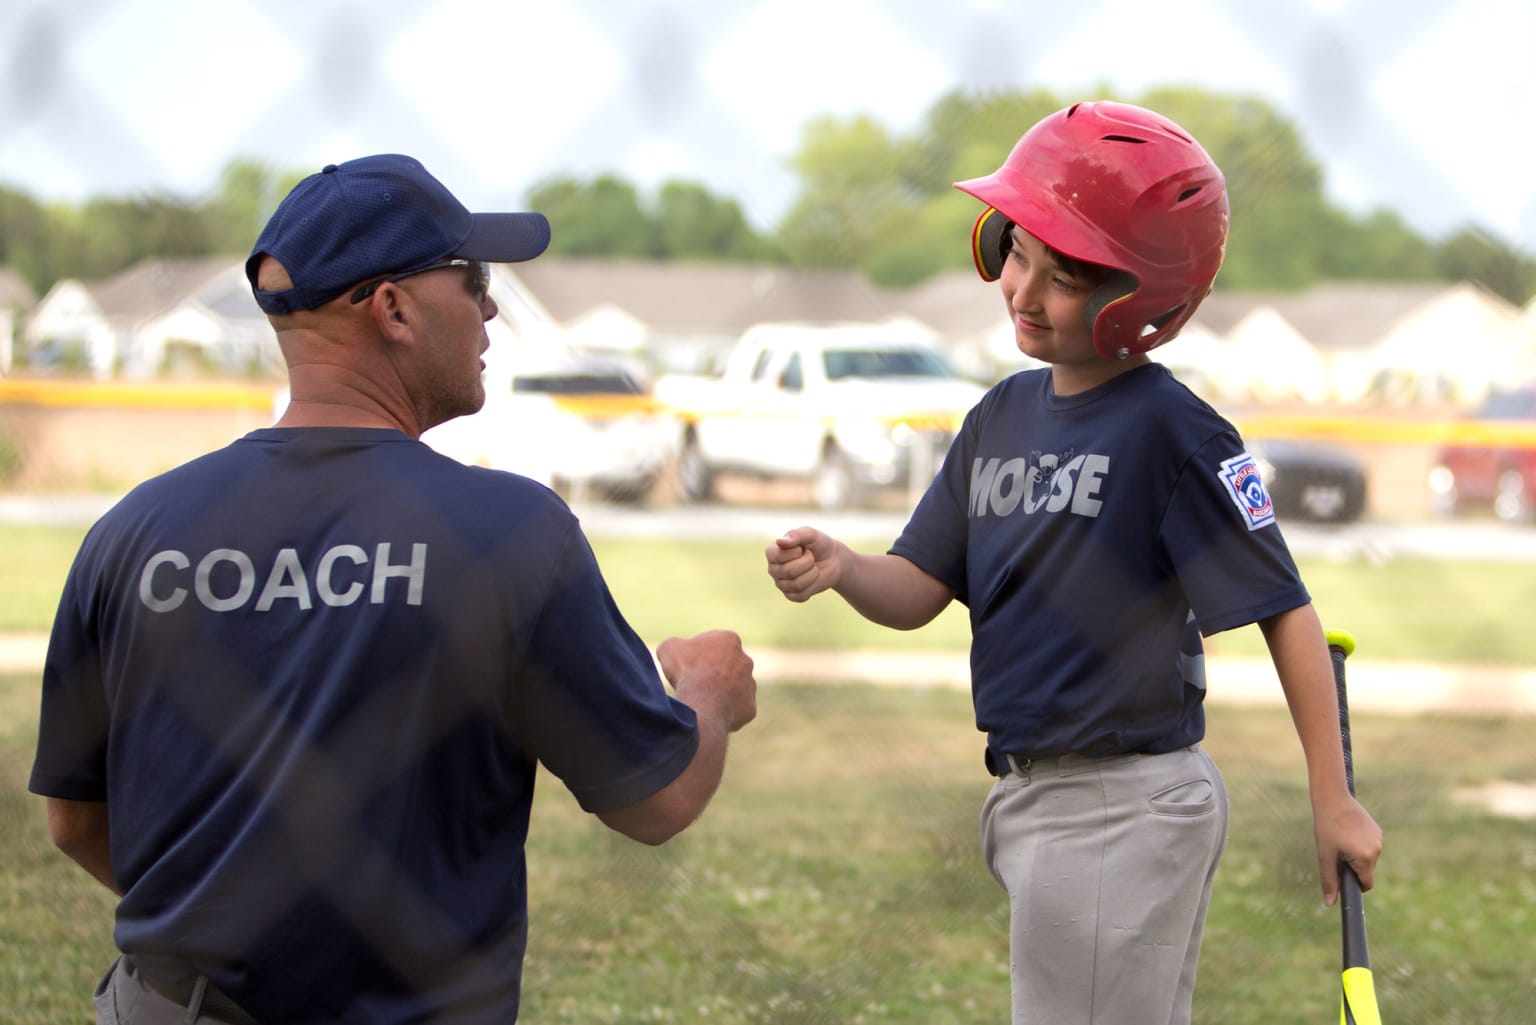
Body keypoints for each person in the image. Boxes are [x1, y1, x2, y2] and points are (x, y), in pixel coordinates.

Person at [30, 153, 758, 1025]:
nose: (490, 307)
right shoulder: (507, 533)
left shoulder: (132, 530)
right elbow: (660, 798)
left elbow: (74, 822)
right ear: (394, 309)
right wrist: (707, 696)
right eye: (473, 278)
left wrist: (236, 926)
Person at [765, 101, 1382, 1025]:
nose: (1022, 291)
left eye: (1064, 279)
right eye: (1017, 253)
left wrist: (1331, 799)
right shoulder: (998, 418)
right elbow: (921, 586)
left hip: (1120, 803)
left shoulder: (1172, 430)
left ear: (1141, 303)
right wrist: (846, 566)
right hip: (1034, 798)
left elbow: (1283, 608)